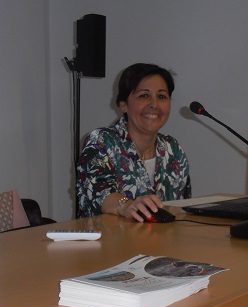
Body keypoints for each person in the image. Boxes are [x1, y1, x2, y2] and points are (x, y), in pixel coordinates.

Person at [76, 63, 191, 221]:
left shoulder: (173, 150)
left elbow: (182, 209)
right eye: (144, 95)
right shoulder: (101, 142)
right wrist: (126, 205)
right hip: (107, 243)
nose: (154, 104)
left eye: (162, 96)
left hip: (163, 242)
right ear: (123, 104)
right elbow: (98, 192)